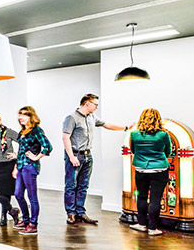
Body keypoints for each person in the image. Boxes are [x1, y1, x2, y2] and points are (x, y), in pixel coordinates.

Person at [62, 94, 127, 225]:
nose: (97, 107)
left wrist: (126, 128)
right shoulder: (71, 118)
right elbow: (65, 137)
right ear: (87, 103)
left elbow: (107, 125)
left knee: (83, 186)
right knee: (71, 186)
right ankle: (71, 213)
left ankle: (80, 212)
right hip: (75, 155)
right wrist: (72, 157)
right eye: (95, 104)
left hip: (88, 156)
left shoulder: (92, 117)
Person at [128, 108, 172, 236]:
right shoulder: (163, 135)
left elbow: (133, 150)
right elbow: (168, 152)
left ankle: (141, 224)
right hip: (159, 169)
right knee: (155, 199)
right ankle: (153, 228)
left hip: (141, 169)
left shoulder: (134, 134)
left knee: (142, 196)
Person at [12, 106, 52, 236]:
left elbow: (47, 146)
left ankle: (33, 225)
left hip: (30, 167)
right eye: (20, 114)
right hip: (21, 166)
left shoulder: (36, 130)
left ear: (31, 116)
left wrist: (36, 157)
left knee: (32, 196)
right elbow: (20, 151)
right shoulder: (22, 132)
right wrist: (15, 167)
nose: (21, 117)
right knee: (18, 194)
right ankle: (26, 220)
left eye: (24, 115)